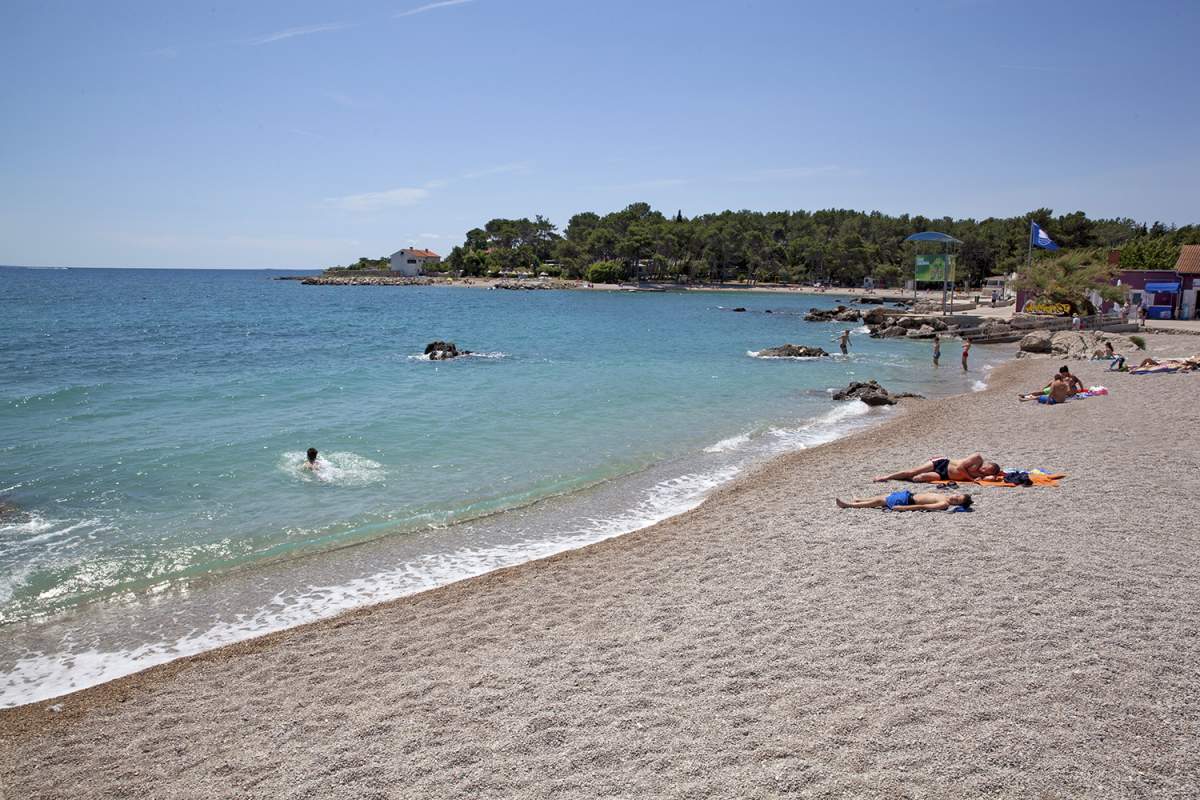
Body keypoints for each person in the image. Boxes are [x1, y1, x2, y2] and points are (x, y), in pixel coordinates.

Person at [874, 453, 1001, 484]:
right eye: (985, 468)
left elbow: (995, 478)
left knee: (919, 478)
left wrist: (991, 476)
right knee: (912, 471)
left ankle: (901, 478)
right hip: (943, 464)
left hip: (944, 476)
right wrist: (971, 479)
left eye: (987, 471)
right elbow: (961, 467)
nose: (983, 470)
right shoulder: (977, 459)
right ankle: (885, 477)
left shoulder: (983, 475)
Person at [836, 491, 973, 512]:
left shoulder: (944, 503)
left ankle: (848, 505)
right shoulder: (945, 496)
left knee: (879, 501)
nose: (954, 498)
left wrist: (903, 508)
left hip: (908, 501)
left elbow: (925, 506)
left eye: (956, 501)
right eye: (957, 496)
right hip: (909, 495)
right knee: (885, 495)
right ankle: (860, 500)